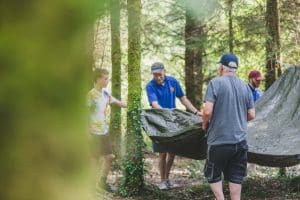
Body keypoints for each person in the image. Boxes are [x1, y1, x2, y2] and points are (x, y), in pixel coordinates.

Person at [202, 53, 255, 200]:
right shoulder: (245, 86)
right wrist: (236, 118)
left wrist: (204, 124)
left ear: (221, 68)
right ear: (235, 69)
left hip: (219, 141)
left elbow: (207, 111)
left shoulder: (215, 83)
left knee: (213, 174)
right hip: (240, 142)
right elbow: (251, 115)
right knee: (236, 176)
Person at [146, 62, 201, 190]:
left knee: (172, 152)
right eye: (155, 75)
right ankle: (162, 181)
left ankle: (167, 178)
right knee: (162, 152)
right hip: (159, 122)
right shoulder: (150, 86)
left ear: (164, 71)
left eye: (160, 74)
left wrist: (195, 111)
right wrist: (165, 114)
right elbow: (154, 104)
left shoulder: (172, 82)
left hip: (173, 122)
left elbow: (183, 98)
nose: (158, 77)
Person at [87, 68, 127, 191]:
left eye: (107, 78)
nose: (107, 80)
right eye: (105, 78)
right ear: (98, 79)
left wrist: (130, 105)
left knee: (109, 157)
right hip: (93, 133)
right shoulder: (90, 95)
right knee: (94, 159)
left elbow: (116, 102)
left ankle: (102, 182)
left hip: (104, 132)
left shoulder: (105, 93)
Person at [247, 70, 263, 174]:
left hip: (257, 125)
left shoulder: (259, 93)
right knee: (245, 146)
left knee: (254, 146)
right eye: (257, 80)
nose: (259, 82)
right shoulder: (244, 90)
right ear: (251, 79)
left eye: (260, 80)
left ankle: (252, 171)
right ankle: (244, 171)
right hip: (245, 123)